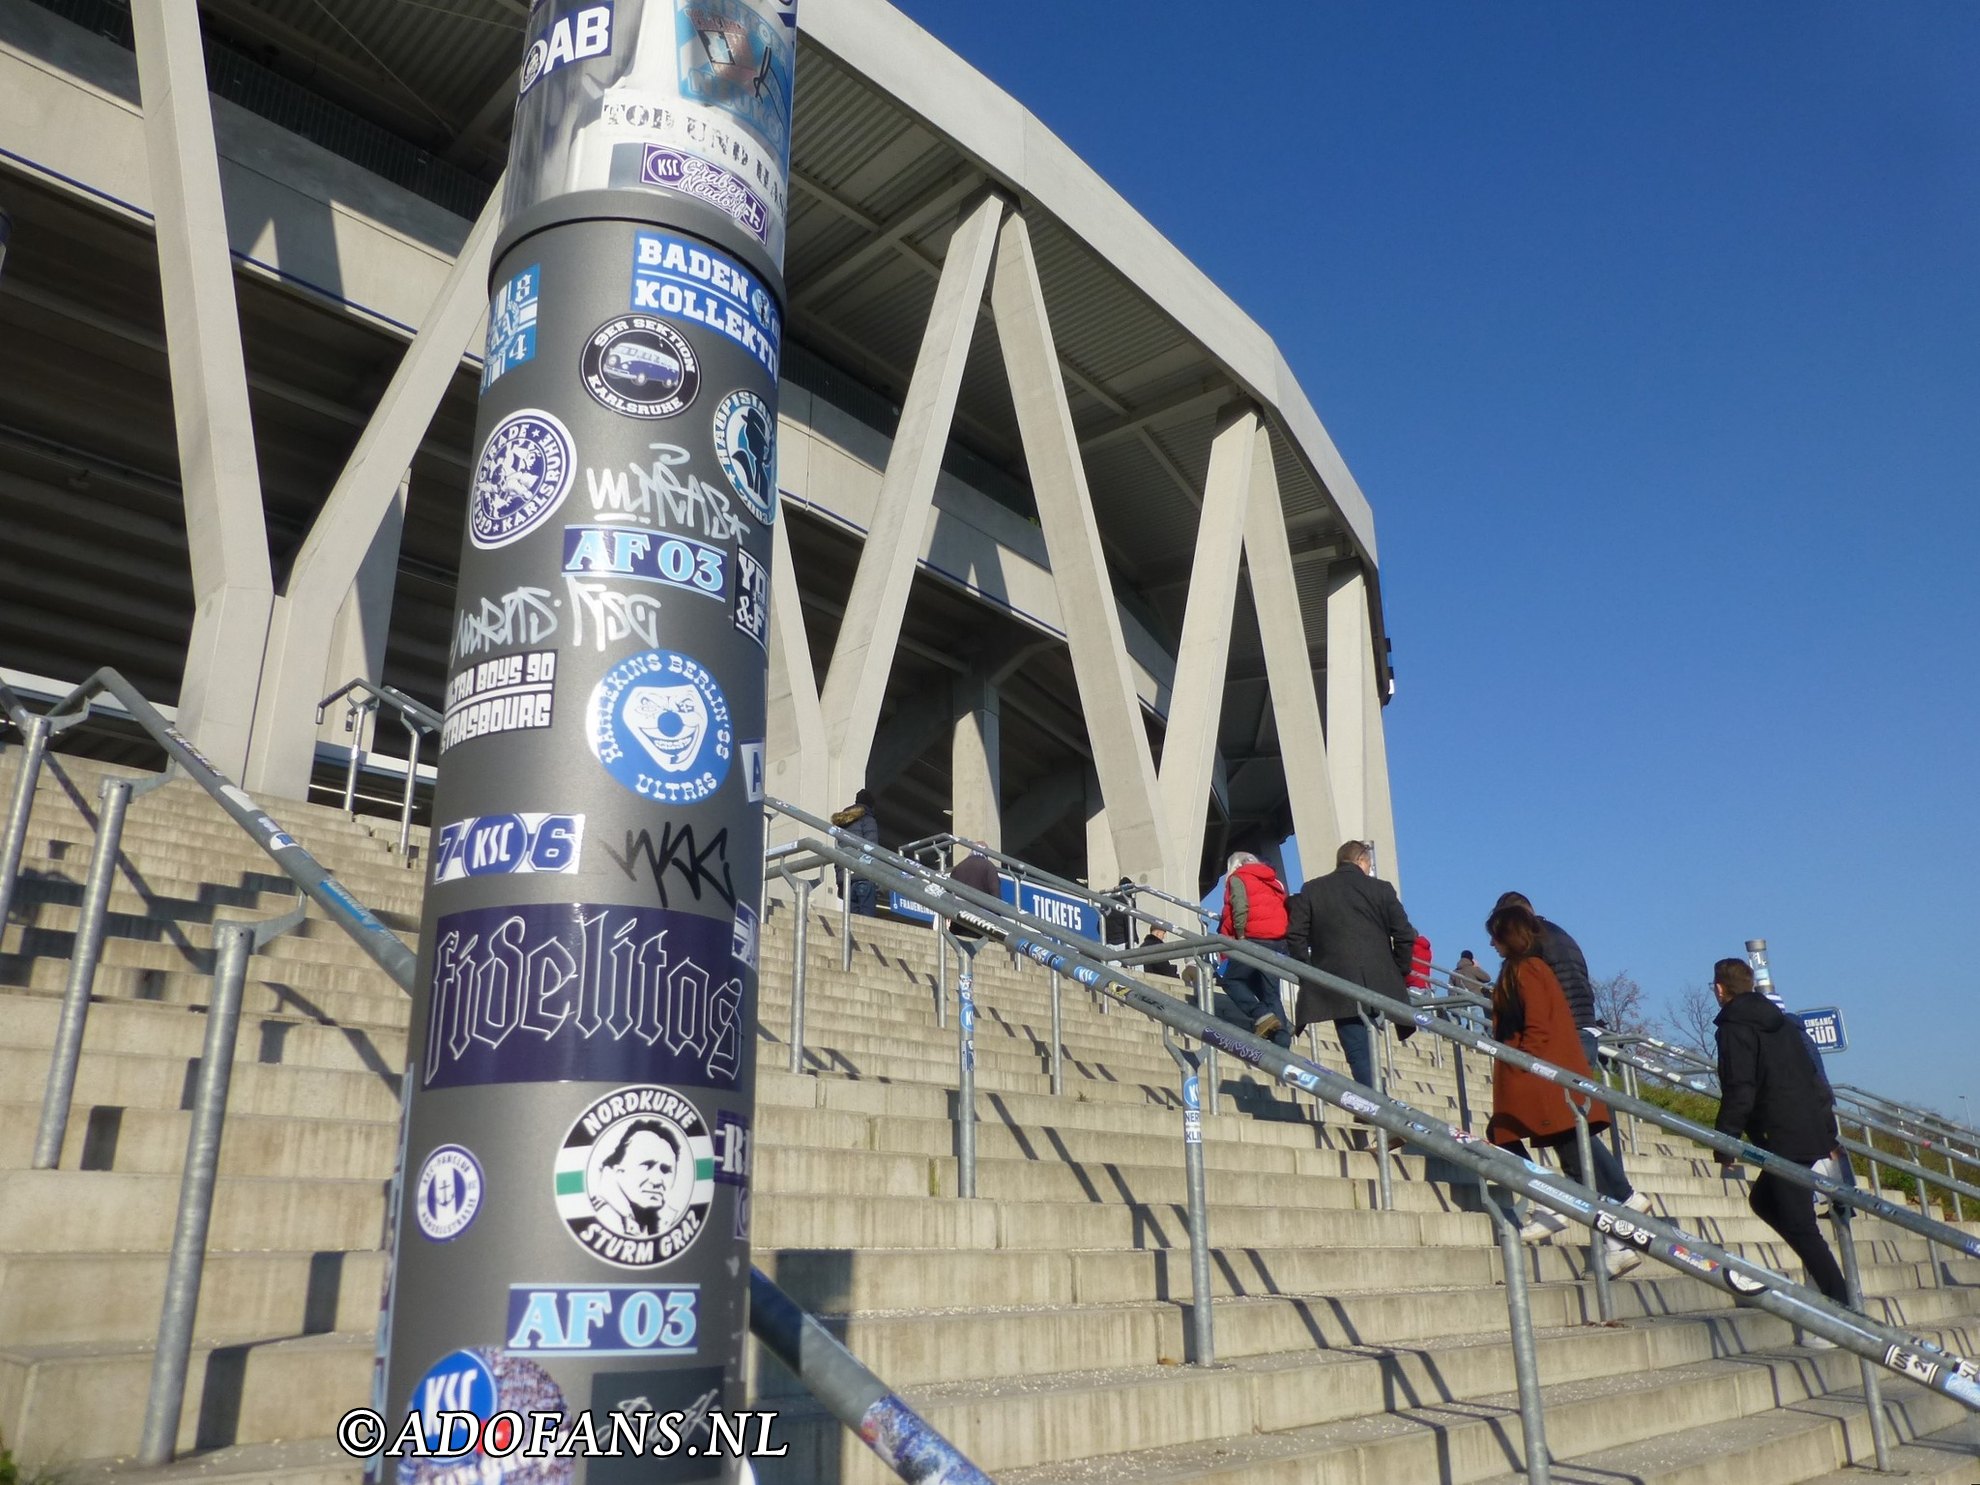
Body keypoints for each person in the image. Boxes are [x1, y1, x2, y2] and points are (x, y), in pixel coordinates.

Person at [1483, 904, 1652, 1276]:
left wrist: (1524, 1065)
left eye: (1495, 937)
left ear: (1509, 935)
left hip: (1539, 1076)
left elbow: (1539, 1027)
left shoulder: (1526, 970)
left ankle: (1577, 1201)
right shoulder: (1531, 966)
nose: (1492, 945)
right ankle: (1613, 1237)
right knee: (1560, 1150)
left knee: (1560, 1147)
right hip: (1542, 1073)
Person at [1711, 956, 1851, 1329]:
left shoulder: (1734, 1027)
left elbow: (1740, 1088)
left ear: (1719, 989)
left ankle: (1843, 1306)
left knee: (1799, 1222)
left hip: (1782, 1134)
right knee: (1763, 1200)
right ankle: (1831, 1293)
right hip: (1804, 1128)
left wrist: (1724, 1142)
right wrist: (1826, 1132)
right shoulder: (1784, 1026)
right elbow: (1814, 1079)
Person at [1283, 839, 1416, 1087]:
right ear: (1362, 861)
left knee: (1355, 1042)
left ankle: (1374, 1101)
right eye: (1369, 864)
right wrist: (1398, 970)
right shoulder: (1382, 889)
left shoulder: (1313, 889)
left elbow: (1296, 934)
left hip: (1335, 979)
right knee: (1365, 1039)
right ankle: (1377, 1101)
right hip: (1379, 979)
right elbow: (1405, 934)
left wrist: (1308, 970)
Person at [1215, 852, 1292, 1048]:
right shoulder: (1273, 880)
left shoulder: (1238, 877)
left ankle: (1261, 1015)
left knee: (1231, 980)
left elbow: (1240, 907)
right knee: (1270, 992)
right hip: (1277, 941)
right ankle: (1282, 1041)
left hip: (1253, 938)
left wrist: (1240, 936)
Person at [830, 789, 882, 915]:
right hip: (863, 874)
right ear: (871, 804)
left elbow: (839, 848)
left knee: (851, 918)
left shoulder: (843, 823)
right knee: (866, 918)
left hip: (845, 876)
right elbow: (872, 848)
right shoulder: (867, 820)